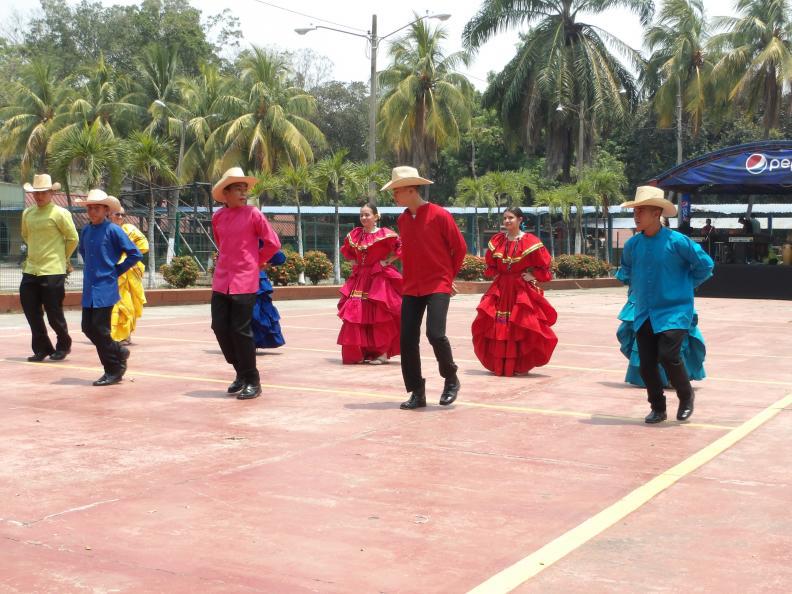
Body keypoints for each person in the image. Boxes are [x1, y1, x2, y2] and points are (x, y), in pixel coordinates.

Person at [617, 186, 714, 424]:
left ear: (656, 213)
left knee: (668, 355)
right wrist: (634, 289)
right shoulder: (633, 245)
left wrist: (686, 286)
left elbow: (705, 265)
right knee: (646, 363)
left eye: (641, 211)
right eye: (635, 211)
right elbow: (626, 270)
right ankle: (658, 408)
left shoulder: (678, 241)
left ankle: (686, 395)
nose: (636, 215)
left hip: (675, 310)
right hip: (644, 311)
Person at [382, 166, 467, 410]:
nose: (394, 197)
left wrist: (449, 277)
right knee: (407, 338)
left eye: (396, 192)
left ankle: (451, 379)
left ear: (410, 190)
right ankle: (417, 392)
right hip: (411, 286)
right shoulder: (403, 219)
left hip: (438, 283)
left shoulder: (440, 215)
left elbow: (459, 248)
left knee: (435, 334)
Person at [211, 167, 281, 400]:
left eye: (245, 189)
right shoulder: (218, 217)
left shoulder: (254, 214)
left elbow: (273, 243)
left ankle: (252, 380)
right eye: (238, 189)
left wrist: (257, 262)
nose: (243, 193)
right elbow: (221, 244)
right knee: (219, 327)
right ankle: (240, 372)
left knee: (240, 331)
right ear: (226, 193)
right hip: (222, 280)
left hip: (245, 280)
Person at [471, 207, 558, 376]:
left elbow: (545, 266)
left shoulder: (530, 241)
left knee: (520, 323)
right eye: (505, 218)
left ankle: (516, 364)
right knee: (497, 323)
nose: (507, 221)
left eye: (511, 217)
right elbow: (491, 265)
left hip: (520, 288)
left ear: (520, 220)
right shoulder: (497, 240)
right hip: (501, 287)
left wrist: (532, 275)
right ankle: (500, 364)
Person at [76, 189, 143, 386]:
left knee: (99, 328)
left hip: (105, 287)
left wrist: (116, 270)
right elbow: (83, 251)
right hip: (90, 287)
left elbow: (135, 254)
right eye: (89, 208)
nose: (92, 211)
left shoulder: (113, 230)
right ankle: (119, 351)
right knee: (87, 328)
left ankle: (113, 369)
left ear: (106, 210)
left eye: (97, 208)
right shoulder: (86, 231)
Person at [19, 173, 79, 362]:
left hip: (53, 270)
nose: (39, 196)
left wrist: (63, 258)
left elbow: (72, 238)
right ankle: (42, 348)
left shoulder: (60, 213)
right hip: (31, 269)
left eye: (43, 192)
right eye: (36, 193)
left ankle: (63, 345)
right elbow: (26, 236)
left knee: (54, 312)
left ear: (51, 193)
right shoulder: (27, 213)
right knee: (31, 311)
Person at [336, 202, 402, 364]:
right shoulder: (355, 234)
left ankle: (382, 353)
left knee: (379, 316)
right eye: (362, 215)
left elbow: (402, 248)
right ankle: (362, 352)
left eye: (367, 215)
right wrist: (354, 263)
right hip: (360, 278)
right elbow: (348, 252)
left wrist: (387, 262)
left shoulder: (385, 234)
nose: (364, 218)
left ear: (376, 216)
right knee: (358, 315)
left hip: (378, 277)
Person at [616, 291, 706, 387]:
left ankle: (672, 378)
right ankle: (659, 379)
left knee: (673, 333)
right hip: (647, 294)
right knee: (645, 335)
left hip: (670, 293)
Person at [108, 201, 149, 345]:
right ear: (109, 215)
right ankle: (116, 335)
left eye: (122, 214)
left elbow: (144, 246)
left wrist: (126, 255)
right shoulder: (106, 230)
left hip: (129, 273)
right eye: (117, 214)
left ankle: (125, 334)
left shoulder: (129, 229)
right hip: (113, 274)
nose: (120, 217)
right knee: (117, 305)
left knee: (130, 305)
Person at [252, 250, 286, 349]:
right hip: (240, 278)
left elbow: (280, 257)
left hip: (257, 280)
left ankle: (254, 341)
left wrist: (265, 262)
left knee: (258, 310)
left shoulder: (260, 240)